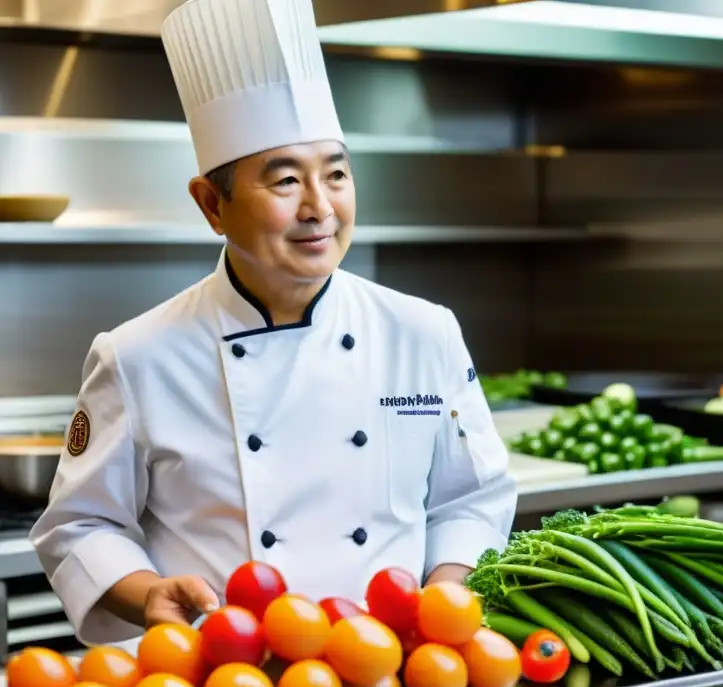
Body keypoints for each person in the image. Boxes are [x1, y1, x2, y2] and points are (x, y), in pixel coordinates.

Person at [29, 0, 516, 648]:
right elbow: (79, 526)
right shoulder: (138, 356)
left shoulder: (422, 333)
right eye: (285, 180)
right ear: (212, 204)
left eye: (336, 174)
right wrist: (149, 595)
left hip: (392, 672)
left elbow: (471, 500)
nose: (320, 207)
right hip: (223, 680)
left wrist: (444, 601)